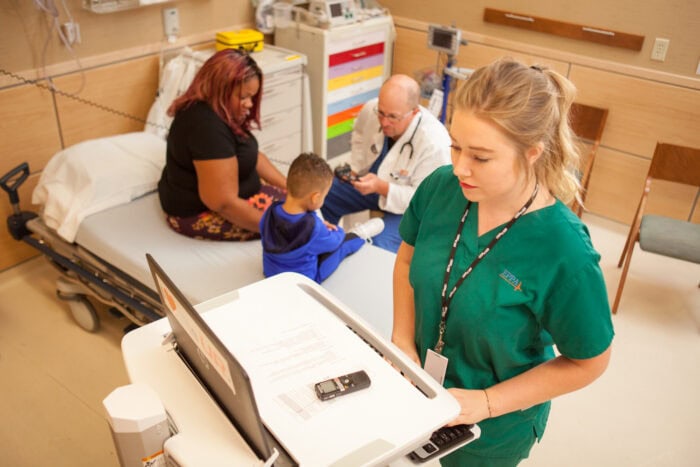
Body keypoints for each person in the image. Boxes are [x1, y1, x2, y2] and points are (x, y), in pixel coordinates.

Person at [392, 58, 614, 466]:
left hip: (492, 428)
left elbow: (590, 361)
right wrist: (403, 343)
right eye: (456, 146)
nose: (459, 167)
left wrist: (488, 403)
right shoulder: (441, 188)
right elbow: (407, 262)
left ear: (532, 153)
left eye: (480, 157)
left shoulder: (563, 251)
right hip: (423, 390)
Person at [157, 48, 287, 241]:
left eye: (252, 97)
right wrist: (275, 228)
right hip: (200, 213)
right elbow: (222, 203)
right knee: (299, 225)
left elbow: (252, 155)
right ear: (219, 88)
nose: (250, 104)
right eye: (243, 97)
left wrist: (290, 188)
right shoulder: (205, 127)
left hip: (238, 196)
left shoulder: (222, 111)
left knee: (302, 206)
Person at [320, 74, 451, 253]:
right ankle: (324, 248)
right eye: (381, 113)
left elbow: (425, 201)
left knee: (374, 244)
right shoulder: (373, 108)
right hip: (372, 182)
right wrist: (355, 169)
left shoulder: (435, 143)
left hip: (412, 209)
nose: (384, 122)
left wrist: (382, 187)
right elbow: (358, 134)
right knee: (324, 196)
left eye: (393, 117)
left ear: (414, 112)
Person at [260, 152, 384, 283]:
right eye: (324, 196)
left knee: (310, 247)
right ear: (315, 197)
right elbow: (335, 242)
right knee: (342, 247)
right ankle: (359, 235)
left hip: (270, 274)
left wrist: (319, 225)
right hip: (303, 281)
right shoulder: (313, 228)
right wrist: (337, 231)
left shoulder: (270, 210)